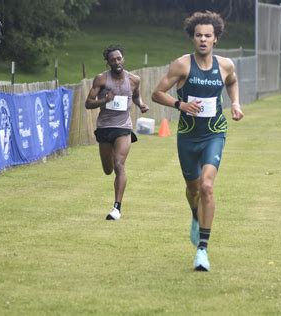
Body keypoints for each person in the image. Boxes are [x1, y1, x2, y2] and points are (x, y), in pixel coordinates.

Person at [151, 11, 244, 271]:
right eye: (198, 35)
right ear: (193, 38)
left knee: (207, 186)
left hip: (214, 132)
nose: (203, 39)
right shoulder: (182, 65)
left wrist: (235, 103)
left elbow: (233, 83)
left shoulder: (225, 65)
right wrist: (180, 104)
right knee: (193, 189)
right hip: (188, 137)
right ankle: (195, 214)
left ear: (216, 39)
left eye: (208, 36)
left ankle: (202, 250)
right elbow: (157, 93)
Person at [86, 44, 149, 220]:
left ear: (123, 59)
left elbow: (135, 95)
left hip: (123, 127)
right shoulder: (101, 79)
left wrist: (141, 104)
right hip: (105, 127)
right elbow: (88, 103)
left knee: (119, 165)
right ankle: (116, 204)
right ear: (108, 63)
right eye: (112, 60)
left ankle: (116, 208)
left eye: (119, 58)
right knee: (107, 169)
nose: (116, 62)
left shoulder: (134, 79)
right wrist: (104, 100)